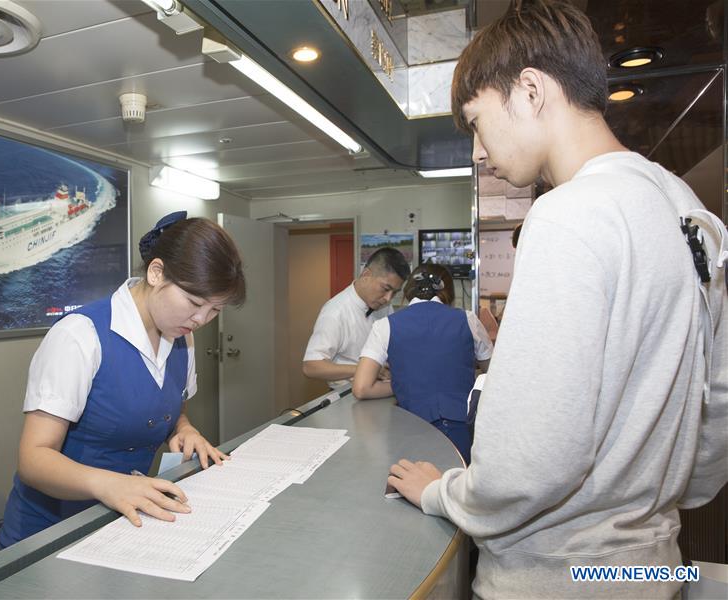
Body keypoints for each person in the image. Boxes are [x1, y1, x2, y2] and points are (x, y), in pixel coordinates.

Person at [387, 1, 727, 598]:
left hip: (559, 577)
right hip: (650, 568)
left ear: (530, 90)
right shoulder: (688, 211)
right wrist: (665, 495)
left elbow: (530, 461)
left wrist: (441, 492)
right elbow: (718, 399)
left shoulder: (568, 213)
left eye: (476, 121)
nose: (478, 151)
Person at [0, 211, 246, 548]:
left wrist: (184, 430)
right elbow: (34, 459)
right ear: (156, 273)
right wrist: (108, 484)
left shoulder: (182, 336)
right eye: (194, 302)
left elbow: (171, 410)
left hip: (120, 527)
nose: (201, 319)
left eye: (215, 310)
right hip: (49, 535)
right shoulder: (80, 336)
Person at [353, 264, 492, 463]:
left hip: (412, 429)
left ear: (408, 291)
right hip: (462, 430)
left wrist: (406, 382)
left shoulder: (385, 326)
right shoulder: (468, 319)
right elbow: (492, 376)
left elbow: (361, 388)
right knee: (459, 478)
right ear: (447, 291)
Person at [302, 248, 410, 388]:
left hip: (380, 388)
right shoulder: (335, 312)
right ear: (366, 275)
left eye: (394, 292)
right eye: (385, 288)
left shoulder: (384, 305)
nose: (388, 298)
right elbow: (311, 366)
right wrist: (365, 369)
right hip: (347, 394)